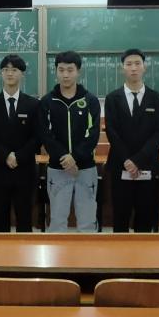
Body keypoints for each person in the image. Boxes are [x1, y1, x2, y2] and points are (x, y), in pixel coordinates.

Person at [103, 49, 159, 233]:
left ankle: (143, 253)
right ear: (122, 68)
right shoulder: (112, 98)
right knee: (120, 217)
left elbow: (158, 132)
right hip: (120, 165)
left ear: (144, 67)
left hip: (148, 165)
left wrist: (137, 160)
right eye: (129, 64)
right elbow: (112, 132)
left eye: (137, 63)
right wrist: (127, 160)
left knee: (145, 218)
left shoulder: (156, 98)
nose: (133, 68)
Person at [39, 51, 101, 233]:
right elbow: (45, 134)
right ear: (56, 71)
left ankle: (86, 253)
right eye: (61, 70)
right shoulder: (47, 101)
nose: (65, 75)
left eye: (70, 70)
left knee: (87, 221)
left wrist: (75, 158)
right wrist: (65, 159)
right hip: (57, 168)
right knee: (57, 221)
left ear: (78, 71)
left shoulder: (90, 100)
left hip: (85, 168)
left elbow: (93, 133)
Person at [0, 55, 40, 232]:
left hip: (25, 170)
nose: (9, 73)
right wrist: (6, 156)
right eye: (5, 70)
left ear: (22, 74)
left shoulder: (34, 104)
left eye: (14, 70)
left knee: (25, 218)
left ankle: (25, 250)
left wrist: (18, 157)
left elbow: (37, 137)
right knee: (0, 219)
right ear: (1, 73)